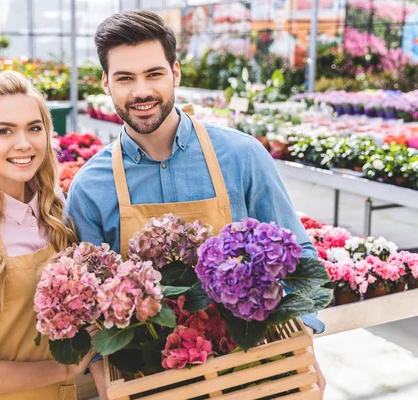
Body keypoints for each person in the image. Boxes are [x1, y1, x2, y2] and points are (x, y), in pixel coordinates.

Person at [66, 9, 326, 398]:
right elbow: (90, 303)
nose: (140, 92)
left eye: (153, 74)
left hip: (249, 367)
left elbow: (301, 257)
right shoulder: (91, 187)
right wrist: (105, 375)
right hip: (149, 379)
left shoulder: (241, 157)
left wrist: (301, 339)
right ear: (106, 82)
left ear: (176, 72)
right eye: (124, 78)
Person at [0, 71, 98, 399]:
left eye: (34, 128)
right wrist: (64, 368)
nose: (23, 143)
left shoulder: (52, 206)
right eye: (4, 130)